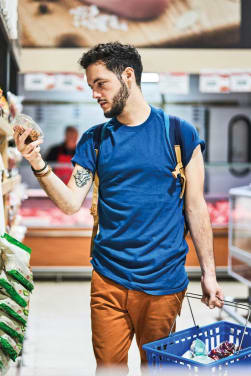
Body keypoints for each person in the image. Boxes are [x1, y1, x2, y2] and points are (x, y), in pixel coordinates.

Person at [14, 42, 224, 373]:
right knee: (108, 368)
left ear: (127, 75)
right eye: (91, 86)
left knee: (157, 368)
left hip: (163, 282)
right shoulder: (94, 140)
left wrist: (209, 275)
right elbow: (70, 202)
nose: (95, 94)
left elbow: (196, 210)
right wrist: (36, 161)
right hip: (108, 280)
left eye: (101, 83)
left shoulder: (180, 134)